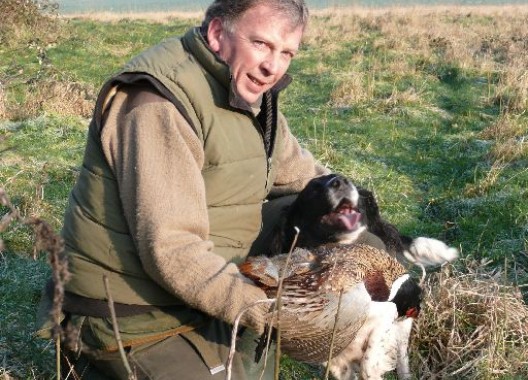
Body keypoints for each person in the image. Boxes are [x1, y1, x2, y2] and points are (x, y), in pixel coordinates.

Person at [36, 0, 330, 378]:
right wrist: (274, 311)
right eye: (261, 43)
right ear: (217, 34)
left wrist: (367, 227)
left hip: (198, 286)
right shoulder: (159, 102)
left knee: (329, 215)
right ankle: (91, 361)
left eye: (286, 52)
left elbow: (301, 174)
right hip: (129, 311)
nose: (273, 66)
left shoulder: (246, 91)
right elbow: (172, 250)